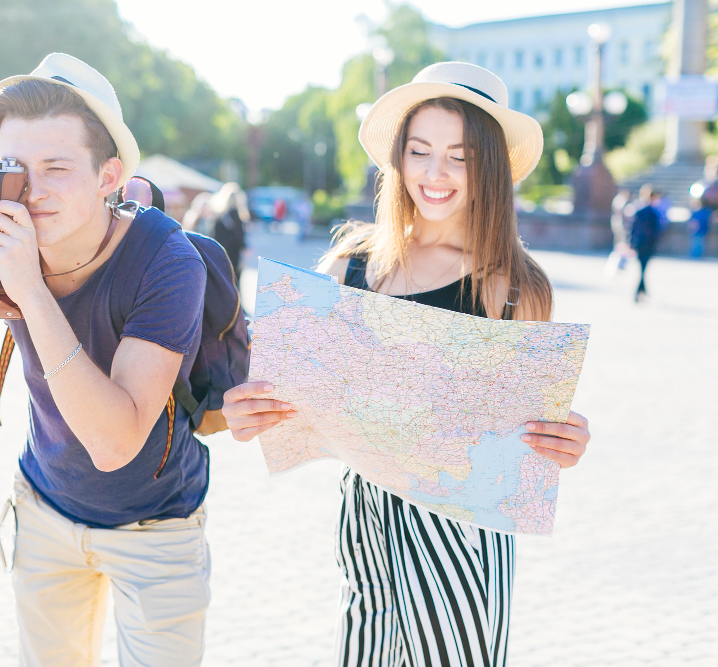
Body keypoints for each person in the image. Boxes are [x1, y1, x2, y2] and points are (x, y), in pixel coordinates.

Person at [222, 62, 592, 666]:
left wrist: (565, 438)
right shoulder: (352, 264)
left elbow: (527, 430)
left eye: (460, 156)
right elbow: (283, 388)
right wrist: (247, 409)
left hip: (463, 530)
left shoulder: (516, 288)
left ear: (490, 168)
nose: (435, 173)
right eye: (419, 151)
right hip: (366, 519)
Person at [0, 53, 211, 666]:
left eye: (58, 167)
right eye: (18, 169)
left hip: (156, 524)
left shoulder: (167, 261)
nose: (36, 190)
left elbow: (114, 442)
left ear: (109, 176)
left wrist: (29, 288)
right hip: (46, 508)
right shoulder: (0, 240)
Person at [208, 182, 249, 278]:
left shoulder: (218, 215)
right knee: (234, 281)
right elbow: (239, 236)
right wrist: (245, 247)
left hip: (219, 252)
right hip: (233, 254)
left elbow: (212, 234)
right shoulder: (236, 214)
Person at [630, 189, 663, 302]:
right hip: (648, 244)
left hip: (639, 243)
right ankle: (641, 291)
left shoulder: (639, 211)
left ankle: (642, 291)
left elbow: (633, 228)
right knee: (643, 269)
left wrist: (631, 243)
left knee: (642, 268)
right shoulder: (654, 213)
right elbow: (656, 231)